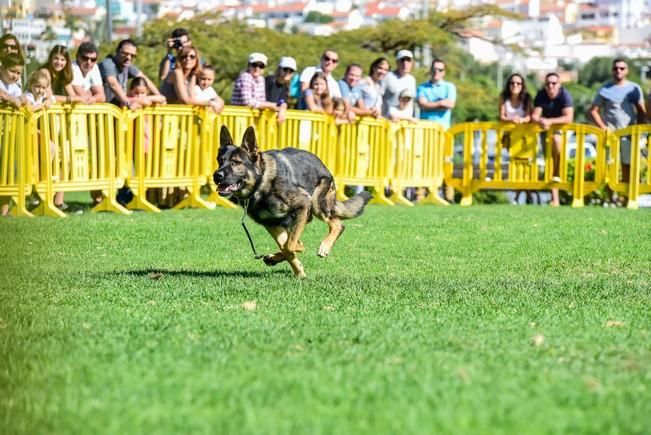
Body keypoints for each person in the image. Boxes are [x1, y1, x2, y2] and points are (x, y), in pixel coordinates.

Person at [588, 59, 646, 191]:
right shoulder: (605, 89)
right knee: (610, 166)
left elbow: (642, 111)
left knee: (628, 165)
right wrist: (603, 127)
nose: (618, 71)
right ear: (612, 71)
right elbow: (593, 111)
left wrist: (638, 131)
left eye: (622, 68)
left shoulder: (634, 88)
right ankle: (610, 199)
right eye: (615, 68)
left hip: (628, 134)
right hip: (611, 135)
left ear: (627, 71)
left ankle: (626, 197)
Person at [531, 72, 574, 207]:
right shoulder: (541, 95)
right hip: (545, 132)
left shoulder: (565, 95)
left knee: (557, 145)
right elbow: (535, 116)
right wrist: (541, 120)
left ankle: (561, 195)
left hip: (561, 132)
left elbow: (568, 117)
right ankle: (554, 198)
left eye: (554, 83)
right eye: (548, 83)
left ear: (559, 84)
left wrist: (549, 121)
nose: (551, 86)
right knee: (549, 162)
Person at [499, 73, 535, 205]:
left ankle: (519, 196)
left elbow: (530, 116)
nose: (515, 85)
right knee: (515, 166)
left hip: (525, 137)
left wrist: (522, 120)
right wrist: (511, 119)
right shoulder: (504, 97)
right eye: (512, 83)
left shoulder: (527, 98)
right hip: (509, 137)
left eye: (518, 83)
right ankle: (527, 194)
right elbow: (501, 116)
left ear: (522, 85)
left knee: (525, 167)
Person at [99, 39, 161, 109]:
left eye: (132, 55)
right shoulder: (108, 64)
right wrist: (128, 103)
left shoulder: (127, 65)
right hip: (103, 113)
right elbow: (113, 84)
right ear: (117, 51)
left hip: (119, 112)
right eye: (125, 53)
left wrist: (159, 97)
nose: (128, 57)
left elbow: (144, 79)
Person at [0, 53, 24, 216]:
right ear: (2, 68)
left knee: (9, 170)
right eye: (12, 71)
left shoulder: (15, 87)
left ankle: (4, 210)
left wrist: (21, 99)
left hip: (8, 135)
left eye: (18, 73)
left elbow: (23, 97)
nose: (15, 75)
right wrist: (10, 98)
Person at [231, 52, 287, 121]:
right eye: (254, 65)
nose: (257, 68)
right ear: (249, 66)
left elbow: (261, 100)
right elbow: (247, 102)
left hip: (251, 119)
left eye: (261, 66)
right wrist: (270, 105)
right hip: (239, 118)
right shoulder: (245, 77)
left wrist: (279, 107)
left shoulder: (261, 79)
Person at [417, 58, 456, 128]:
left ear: (444, 72)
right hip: (425, 129)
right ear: (430, 70)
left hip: (443, 130)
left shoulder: (450, 86)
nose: (436, 72)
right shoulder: (422, 87)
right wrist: (441, 103)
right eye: (434, 69)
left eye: (440, 70)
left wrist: (428, 105)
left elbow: (450, 105)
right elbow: (422, 105)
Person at [382, 49, 416, 118]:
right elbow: (379, 97)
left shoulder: (412, 79)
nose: (405, 64)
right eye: (402, 60)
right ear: (397, 62)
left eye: (408, 60)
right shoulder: (388, 77)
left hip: (406, 122)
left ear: (412, 63)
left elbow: (412, 103)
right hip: (388, 122)